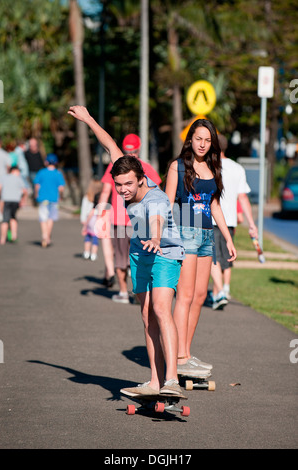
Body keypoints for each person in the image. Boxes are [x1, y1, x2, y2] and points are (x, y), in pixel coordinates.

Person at [68, 105, 185, 397]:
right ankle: (155, 381)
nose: (122, 190)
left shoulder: (155, 197)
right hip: (139, 253)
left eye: (128, 184)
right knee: (147, 316)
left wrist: (156, 238)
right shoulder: (125, 170)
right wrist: (89, 119)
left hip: (165, 252)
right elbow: (110, 145)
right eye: (118, 185)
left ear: (142, 179)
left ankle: (172, 380)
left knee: (161, 309)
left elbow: (157, 218)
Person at [165, 118, 237, 377]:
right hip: (185, 233)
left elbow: (214, 205)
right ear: (190, 139)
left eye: (208, 140)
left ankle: (186, 352)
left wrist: (228, 239)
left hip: (207, 235)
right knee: (184, 296)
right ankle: (178, 357)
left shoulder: (212, 167)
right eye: (199, 139)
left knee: (199, 297)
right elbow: (167, 203)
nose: (203, 144)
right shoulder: (178, 167)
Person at [99, 133, 162, 303]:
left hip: (120, 220)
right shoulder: (146, 168)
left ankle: (123, 292)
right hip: (141, 221)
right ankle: (139, 291)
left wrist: (100, 214)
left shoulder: (114, 166)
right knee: (140, 257)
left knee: (120, 258)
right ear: (139, 148)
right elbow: (158, 193)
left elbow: (105, 191)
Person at [210, 134, 258, 309]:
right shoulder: (237, 168)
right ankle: (223, 289)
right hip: (229, 220)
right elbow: (243, 197)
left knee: (213, 257)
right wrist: (251, 224)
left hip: (212, 219)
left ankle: (219, 292)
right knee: (227, 255)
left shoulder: (209, 166)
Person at [34, 153, 65, 247]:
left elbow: (37, 185)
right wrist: (61, 196)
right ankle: (48, 236)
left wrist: (36, 194)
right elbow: (61, 188)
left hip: (43, 198)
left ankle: (44, 234)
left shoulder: (41, 172)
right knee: (51, 218)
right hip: (54, 198)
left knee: (43, 218)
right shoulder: (58, 173)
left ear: (46, 162)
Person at [0, 165, 28, 244]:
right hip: (15, 201)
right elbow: (25, 191)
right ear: (14, 171)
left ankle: (2, 239)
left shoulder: (3, 177)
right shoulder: (19, 179)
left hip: (6, 200)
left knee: (5, 219)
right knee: (13, 217)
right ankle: (14, 236)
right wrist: (23, 200)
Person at [80, 176, 103, 261]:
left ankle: (86, 252)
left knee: (87, 237)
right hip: (97, 220)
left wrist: (83, 220)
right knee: (95, 239)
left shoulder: (87, 197)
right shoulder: (101, 198)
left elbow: (84, 209)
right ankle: (93, 254)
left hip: (88, 220)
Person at [24, 138, 45, 203]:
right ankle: (36, 199)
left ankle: (39, 198)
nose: (33, 147)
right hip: (32, 172)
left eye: (34, 145)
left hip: (40, 172)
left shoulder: (39, 153)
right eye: (31, 145)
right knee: (35, 185)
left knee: (40, 186)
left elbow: (42, 162)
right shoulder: (26, 153)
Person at [0, 137, 11, 222]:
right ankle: (0, 213)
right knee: (2, 197)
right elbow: (8, 167)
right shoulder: (5, 154)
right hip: (2, 178)